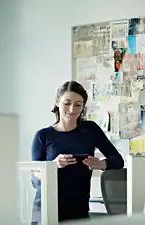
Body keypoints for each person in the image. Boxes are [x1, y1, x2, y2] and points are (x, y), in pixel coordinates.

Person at [31, 80, 124, 224]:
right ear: (57, 102)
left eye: (78, 104)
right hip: (46, 211)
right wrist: (52, 165)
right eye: (67, 103)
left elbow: (118, 160)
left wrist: (101, 164)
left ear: (83, 106)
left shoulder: (90, 130)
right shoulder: (43, 135)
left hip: (78, 210)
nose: (72, 109)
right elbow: (35, 179)